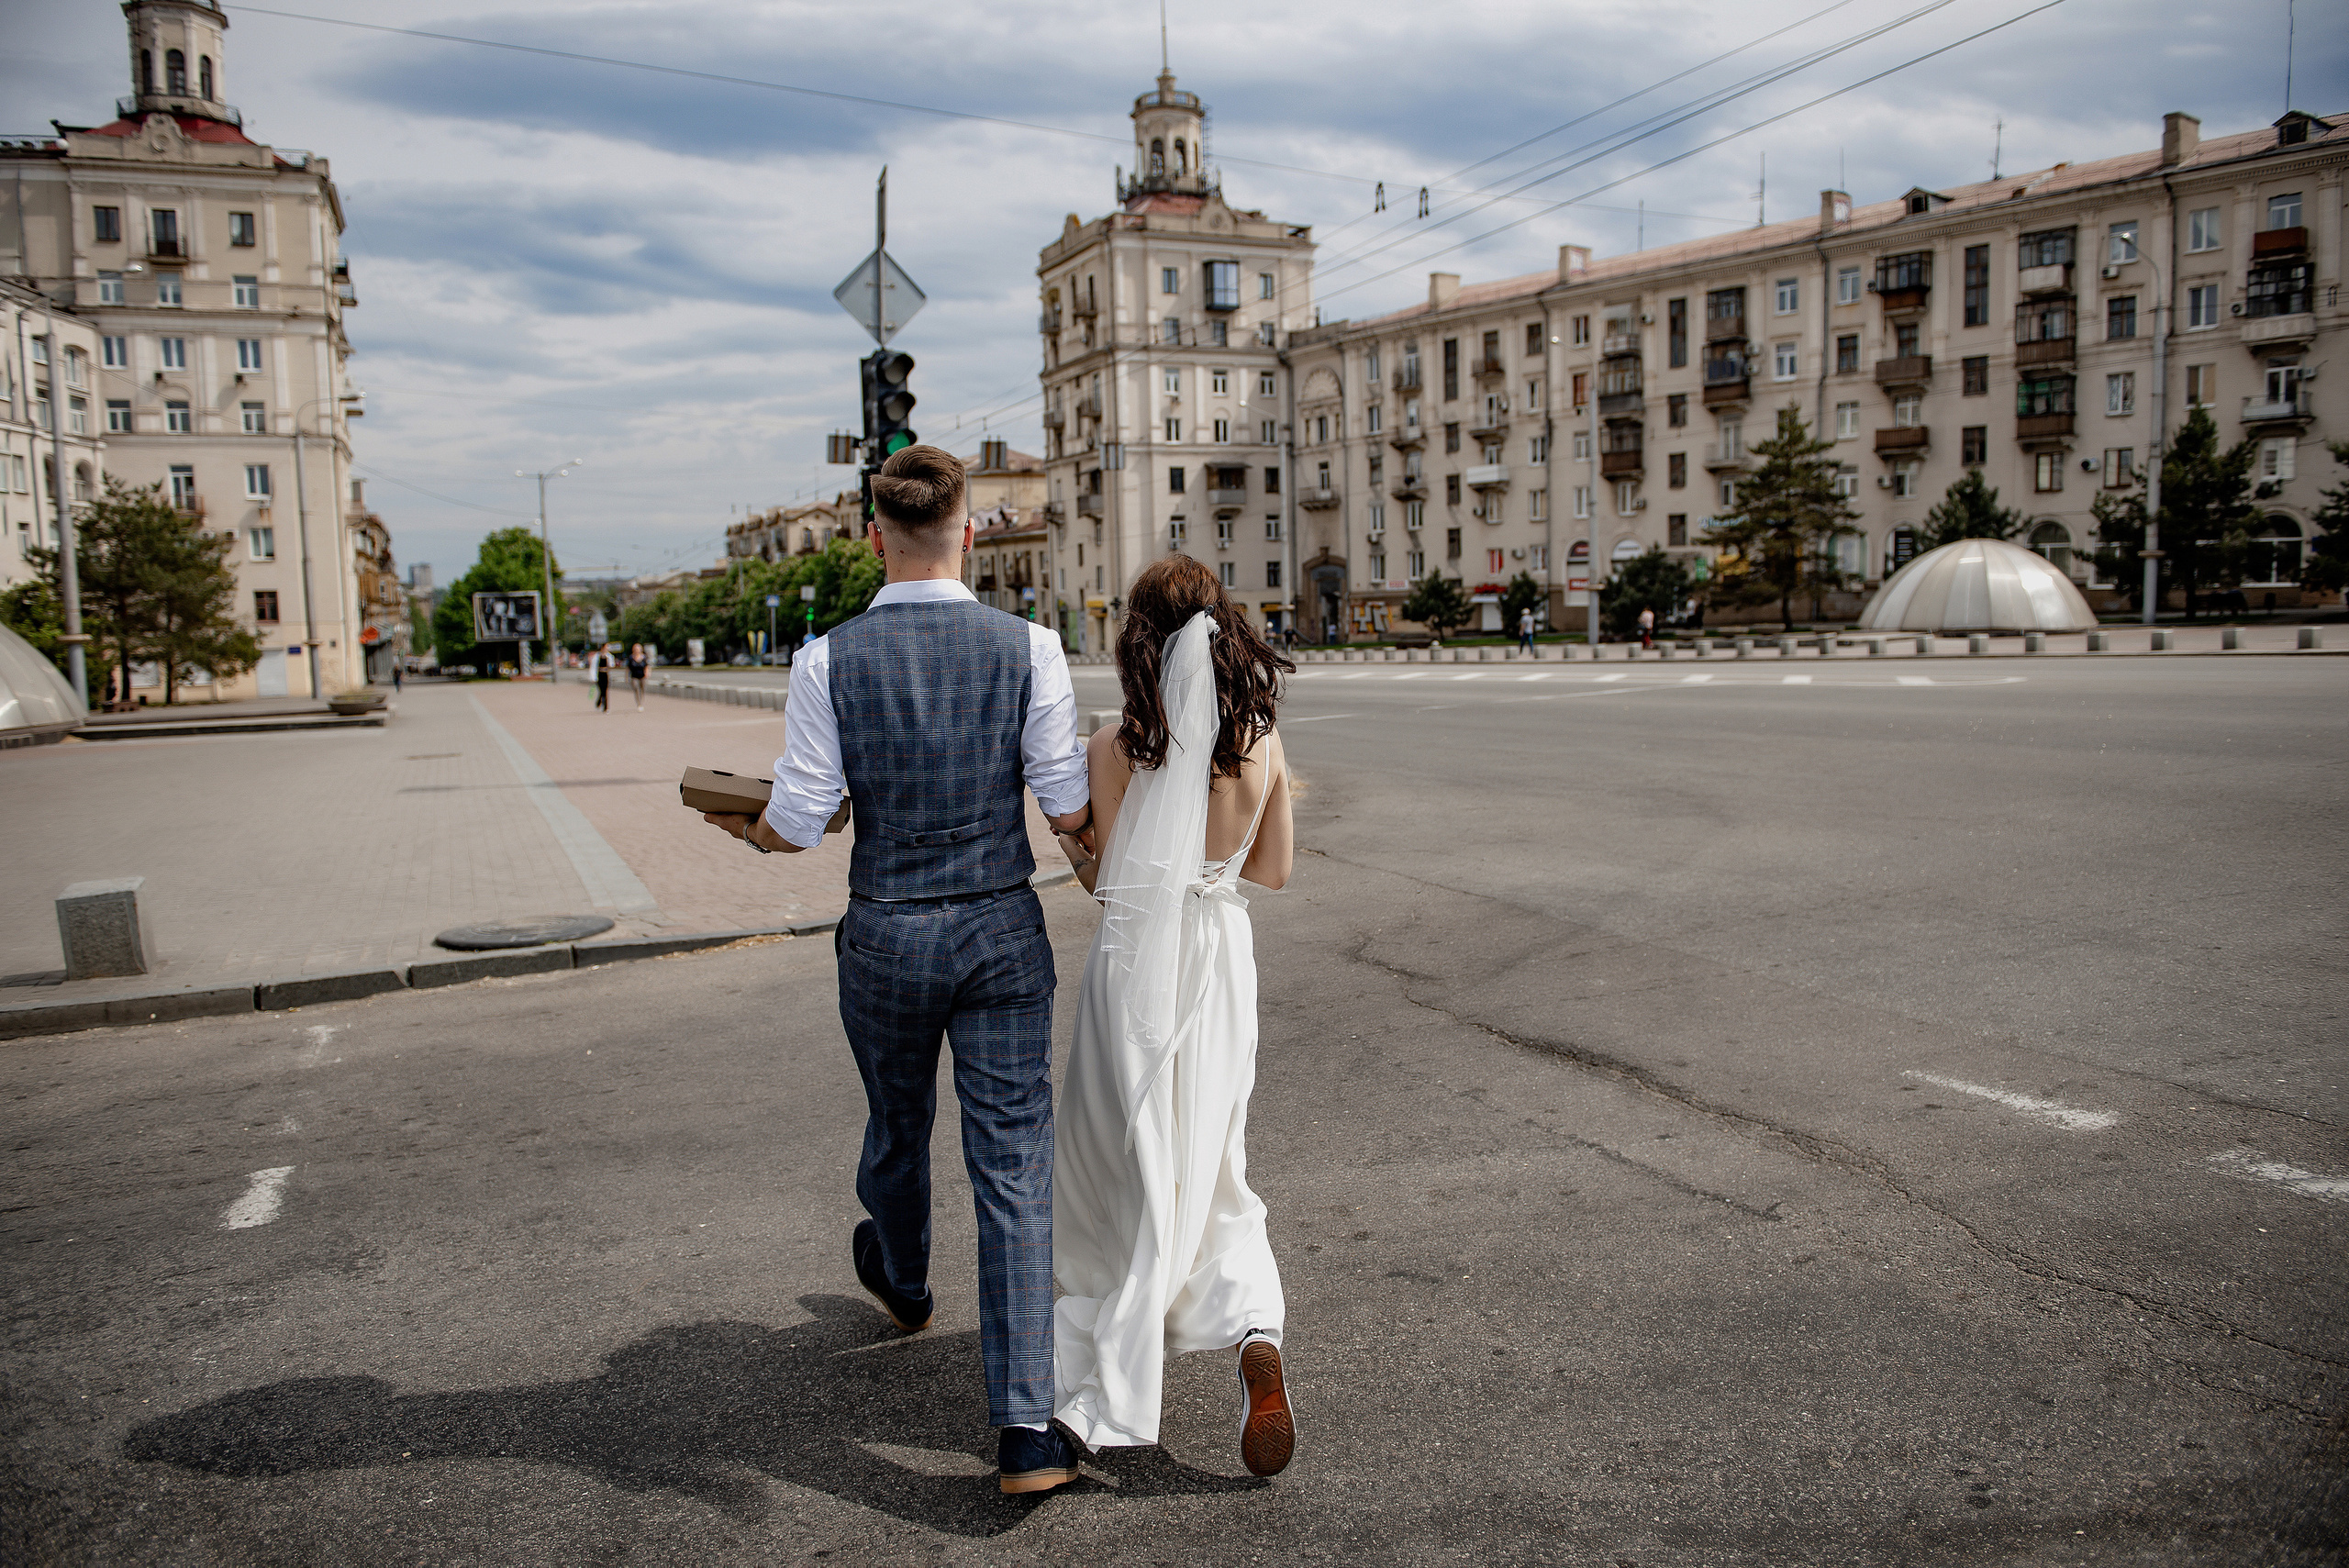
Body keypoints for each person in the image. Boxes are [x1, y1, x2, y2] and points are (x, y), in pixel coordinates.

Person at [698, 445, 1095, 1496]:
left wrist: (744, 832)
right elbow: (1064, 804)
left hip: (886, 931)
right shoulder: (1033, 647)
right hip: (1003, 929)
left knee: (896, 1124)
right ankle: (1024, 1429)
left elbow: (793, 818)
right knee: (1013, 1160)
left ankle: (906, 1276)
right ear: (968, 530)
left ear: (876, 535)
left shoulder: (828, 657)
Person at [1050, 555, 1298, 1479]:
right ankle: (1253, 1328)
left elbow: (1110, 885)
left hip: (1136, 969)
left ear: (1139, 639)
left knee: (1119, 1164)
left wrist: (1069, 844)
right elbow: (1271, 870)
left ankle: (1091, 1393)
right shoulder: (1263, 734)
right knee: (1213, 1157)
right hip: (1221, 963)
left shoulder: (1115, 743)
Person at [626, 642, 648, 711]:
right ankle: (639, 703)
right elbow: (628, 668)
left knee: (642, 689)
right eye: (635, 649)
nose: (636, 650)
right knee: (636, 688)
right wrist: (626, 677)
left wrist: (647, 673)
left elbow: (647, 666)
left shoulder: (644, 657)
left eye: (638, 649)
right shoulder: (631, 658)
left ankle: (641, 702)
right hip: (634, 676)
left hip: (642, 676)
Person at [593, 645, 612, 711]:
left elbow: (612, 665)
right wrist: (593, 677)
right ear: (602, 648)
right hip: (599, 674)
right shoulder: (597, 656)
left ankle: (605, 707)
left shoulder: (609, 656)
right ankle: (599, 702)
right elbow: (594, 667)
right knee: (601, 691)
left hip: (606, 674)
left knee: (605, 691)